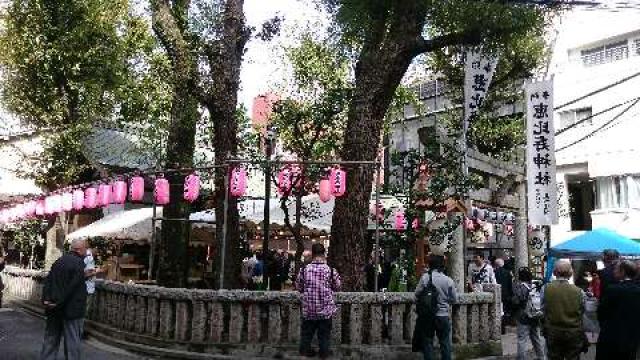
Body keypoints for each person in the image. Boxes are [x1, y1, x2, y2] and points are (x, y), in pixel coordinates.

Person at [40, 239, 89, 360]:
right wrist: (58, 303)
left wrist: (46, 300)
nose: (86, 252)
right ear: (79, 250)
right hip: (70, 310)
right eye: (85, 249)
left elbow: (49, 281)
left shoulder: (59, 261)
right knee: (72, 342)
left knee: (51, 340)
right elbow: (71, 288)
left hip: (53, 308)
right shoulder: (78, 263)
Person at [295, 244, 341, 359]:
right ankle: (323, 356)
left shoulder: (304, 269)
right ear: (324, 254)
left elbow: (299, 287)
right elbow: (337, 287)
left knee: (306, 337)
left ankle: (303, 357)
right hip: (325, 311)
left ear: (312, 254)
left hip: (309, 310)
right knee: (324, 338)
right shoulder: (330, 271)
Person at [414, 255, 458, 360]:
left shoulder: (425, 278)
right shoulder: (448, 280)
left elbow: (416, 295)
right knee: (445, 343)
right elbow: (454, 299)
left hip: (428, 316)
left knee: (428, 342)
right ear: (442, 266)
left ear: (430, 265)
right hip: (443, 315)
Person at [543, 259, 587, 360]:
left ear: (554, 272)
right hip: (573, 332)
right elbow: (583, 310)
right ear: (570, 274)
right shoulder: (579, 291)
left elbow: (542, 308)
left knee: (554, 357)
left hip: (553, 331)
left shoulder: (546, 288)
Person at [596, 260, 640, 360]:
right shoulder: (637, 290)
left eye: (616, 269)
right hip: (631, 336)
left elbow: (601, 312)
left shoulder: (613, 289)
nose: (613, 271)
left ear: (623, 272)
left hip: (611, 335)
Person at [512, 267, 545, 360]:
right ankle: (541, 356)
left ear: (520, 277)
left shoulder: (521, 287)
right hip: (535, 315)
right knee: (536, 338)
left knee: (522, 339)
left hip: (523, 316)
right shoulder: (535, 286)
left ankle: (521, 358)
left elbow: (517, 301)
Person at [494, 258, 513, 334]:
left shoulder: (494, 272)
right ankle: (503, 328)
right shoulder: (508, 273)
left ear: (495, 264)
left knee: (495, 311)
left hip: (496, 294)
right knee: (503, 312)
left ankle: (496, 328)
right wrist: (510, 294)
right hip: (505, 295)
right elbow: (510, 285)